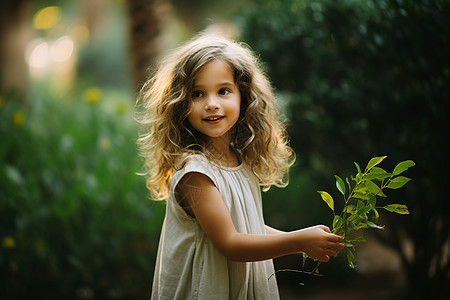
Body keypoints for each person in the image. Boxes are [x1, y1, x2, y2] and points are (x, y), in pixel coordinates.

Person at [137, 33, 345, 300]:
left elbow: (248, 226)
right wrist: (297, 242)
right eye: (197, 94)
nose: (211, 103)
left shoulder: (239, 159)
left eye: (223, 91)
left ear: (243, 96)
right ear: (180, 104)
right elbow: (231, 243)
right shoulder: (195, 174)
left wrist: (300, 239)